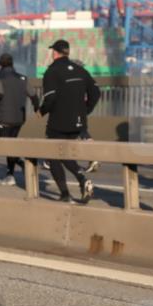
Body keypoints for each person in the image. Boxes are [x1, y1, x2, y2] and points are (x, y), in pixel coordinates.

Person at [38, 39, 99, 204]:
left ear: (55, 53)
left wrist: (42, 111)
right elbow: (96, 92)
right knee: (63, 154)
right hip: (79, 121)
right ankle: (79, 182)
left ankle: (68, 191)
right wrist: (86, 110)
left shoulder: (52, 71)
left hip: (59, 121)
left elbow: (50, 98)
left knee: (54, 154)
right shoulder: (80, 70)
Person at [0, 53, 40, 185]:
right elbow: (34, 96)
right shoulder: (23, 78)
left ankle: (13, 172)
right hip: (20, 118)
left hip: (5, 118)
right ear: (12, 64)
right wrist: (37, 109)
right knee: (11, 143)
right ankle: (16, 168)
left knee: (5, 145)